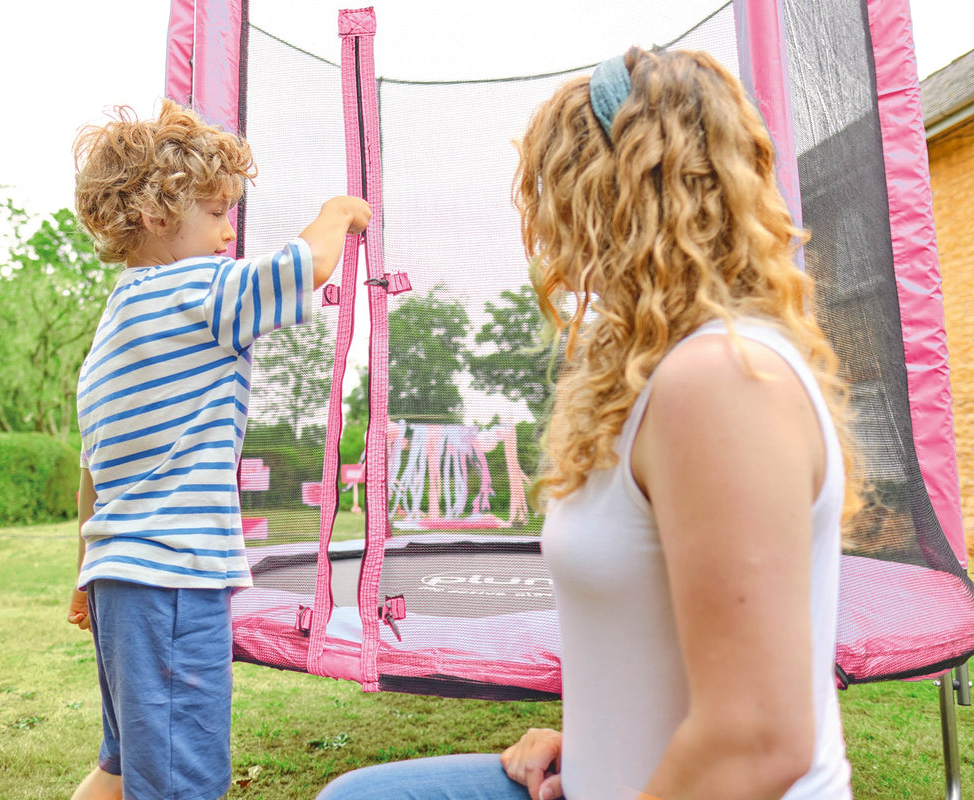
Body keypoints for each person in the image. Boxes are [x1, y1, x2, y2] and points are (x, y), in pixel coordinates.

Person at [316, 46, 861, 800]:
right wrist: (597, 740)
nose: (547, 231)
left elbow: (758, 741)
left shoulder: (724, 381)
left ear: (615, 193)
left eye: (556, 193)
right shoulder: (659, 374)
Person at [64, 99, 370, 800]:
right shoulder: (199, 291)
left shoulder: (118, 320)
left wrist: (85, 571)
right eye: (215, 211)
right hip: (174, 581)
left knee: (122, 765)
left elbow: (92, 473)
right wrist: (337, 210)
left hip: (119, 579)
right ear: (153, 213)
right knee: (180, 784)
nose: (228, 232)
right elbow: (307, 265)